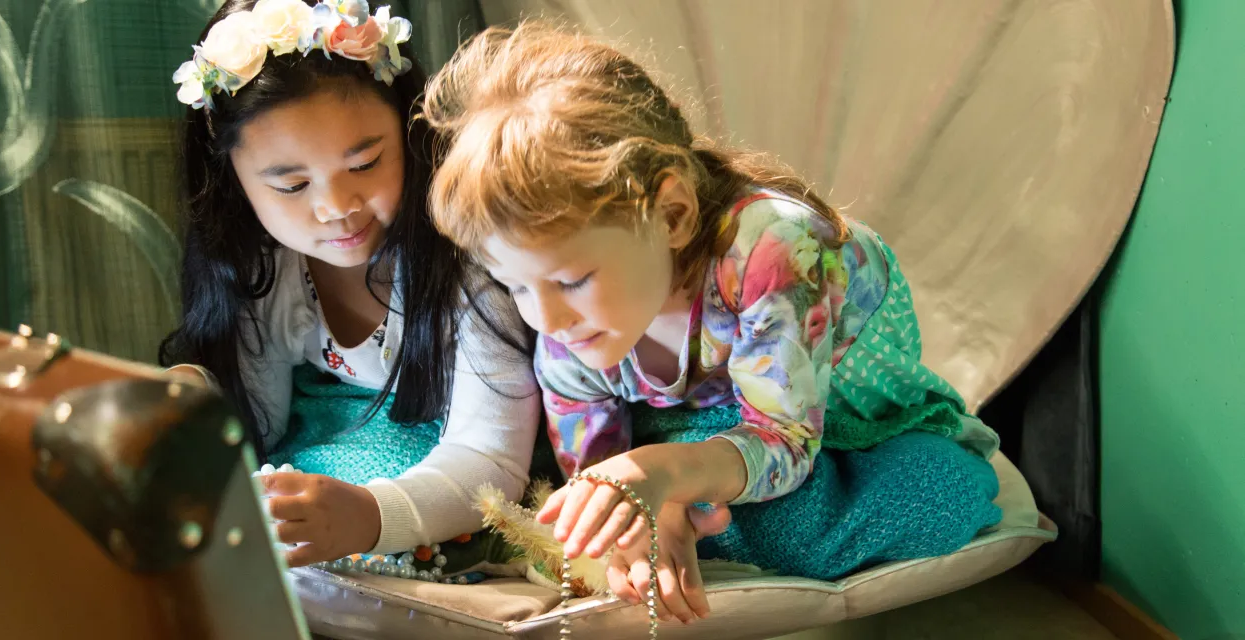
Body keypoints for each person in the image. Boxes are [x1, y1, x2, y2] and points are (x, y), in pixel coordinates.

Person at [423, 22, 1003, 624]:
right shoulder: (567, 331)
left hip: (833, 421)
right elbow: (593, 473)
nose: (546, 317)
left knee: (939, 497)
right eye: (517, 285)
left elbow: (785, 438)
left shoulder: (772, 249)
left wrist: (662, 472)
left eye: (572, 280)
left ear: (672, 214)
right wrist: (645, 515)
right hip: (709, 426)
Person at [159, 0, 540, 569]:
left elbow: (492, 456)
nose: (337, 208)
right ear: (233, 184)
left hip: (451, 467)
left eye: (365, 165)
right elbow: (261, 424)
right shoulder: (269, 270)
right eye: (291, 186)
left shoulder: (466, 263)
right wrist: (191, 400)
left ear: (411, 131)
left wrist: (367, 515)